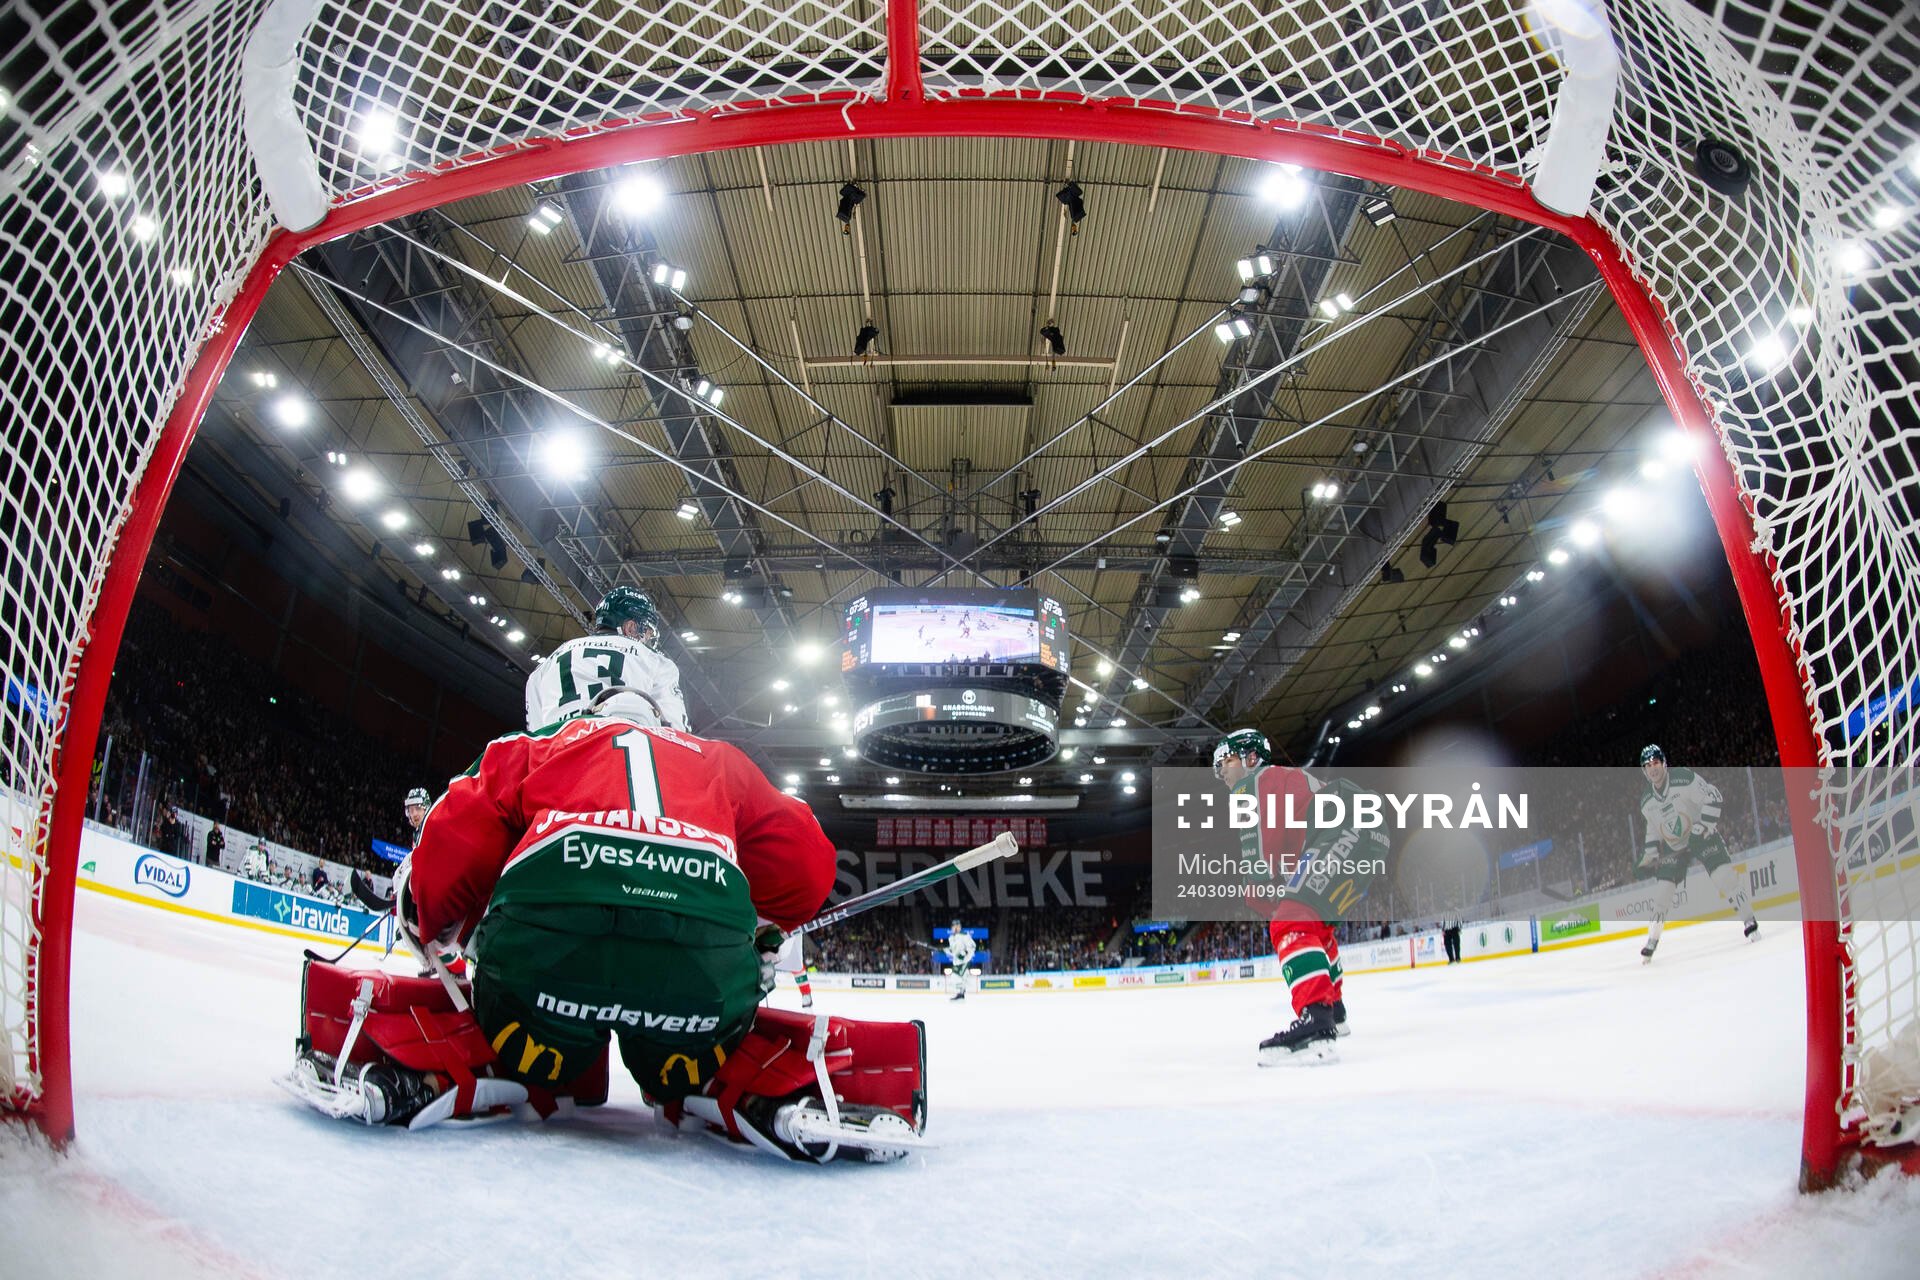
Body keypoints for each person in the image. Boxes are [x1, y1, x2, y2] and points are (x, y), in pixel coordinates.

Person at [282, 589, 927, 1161]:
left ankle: (498, 1071)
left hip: (542, 972)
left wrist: (439, 929)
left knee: (545, 1050)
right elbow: (810, 867)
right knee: (684, 1055)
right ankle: (706, 1086)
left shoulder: (530, 749)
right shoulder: (719, 760)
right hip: (697, 985)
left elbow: (451, 847)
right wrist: (759, 930)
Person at [1213, 728, 1383, 1066]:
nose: (1222, 772)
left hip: (1346, 829)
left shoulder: (1253, 784)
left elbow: (1261, 865)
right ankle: (1334, 1010)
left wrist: (1261, 899)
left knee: (1290, 920)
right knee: (1316, 925)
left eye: (1227, 761)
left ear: (1250, 758)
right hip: (1367, 832)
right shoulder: (1285, 779)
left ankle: (1317, 1024)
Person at [1635, 745, 1759, 962]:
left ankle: (1749, 920)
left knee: (1724, 877)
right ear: (1644, 771)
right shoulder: (1646, 801)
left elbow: (1713, 796)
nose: (1652, 769)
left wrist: (1702, 827)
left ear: (1664, 763)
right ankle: (1652, 941)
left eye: (1655, 763)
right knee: (1663, 893)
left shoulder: (1684, 777)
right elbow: (1653, 828)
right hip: (1676, 847)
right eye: (1647, 765)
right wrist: (1650, 855)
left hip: (1701, 835)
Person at [523, 586, 689, 733]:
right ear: (631, 627)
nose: (647, 639)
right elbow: (676, 731)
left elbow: (538, 735)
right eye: (647, 631)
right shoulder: (655, 661)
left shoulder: (547, 664)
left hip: (562, 754)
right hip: (616, 752)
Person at [945, 919, 977, 1001]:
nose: (956, 928)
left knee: (956, 977)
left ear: (960, 927)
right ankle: (961, 994)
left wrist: (964, 954)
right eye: (954, 926)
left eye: (957, 926)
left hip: (964, 961)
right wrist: (946, 950)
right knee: (962, 978)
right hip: (956, 961)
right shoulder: (951, 938)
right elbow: (953, 949)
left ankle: (961, 993)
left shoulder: (965, 935)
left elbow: (972, 946)